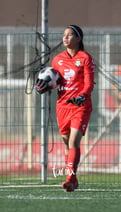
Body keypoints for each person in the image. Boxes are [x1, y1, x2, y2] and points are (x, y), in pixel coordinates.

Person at [36, 25, 95, 192]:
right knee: (66, 144)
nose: (65, 38)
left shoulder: (85, 58)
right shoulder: (57, 60)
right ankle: (73, 179)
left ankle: (69, 179)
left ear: (78, 39)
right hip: (63, 106)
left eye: (70, 35)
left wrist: (82, 96)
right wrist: (45, 87)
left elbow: (89, 84)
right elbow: (55, 83)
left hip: (80, 106)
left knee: (74, 141)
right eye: (64, 35)